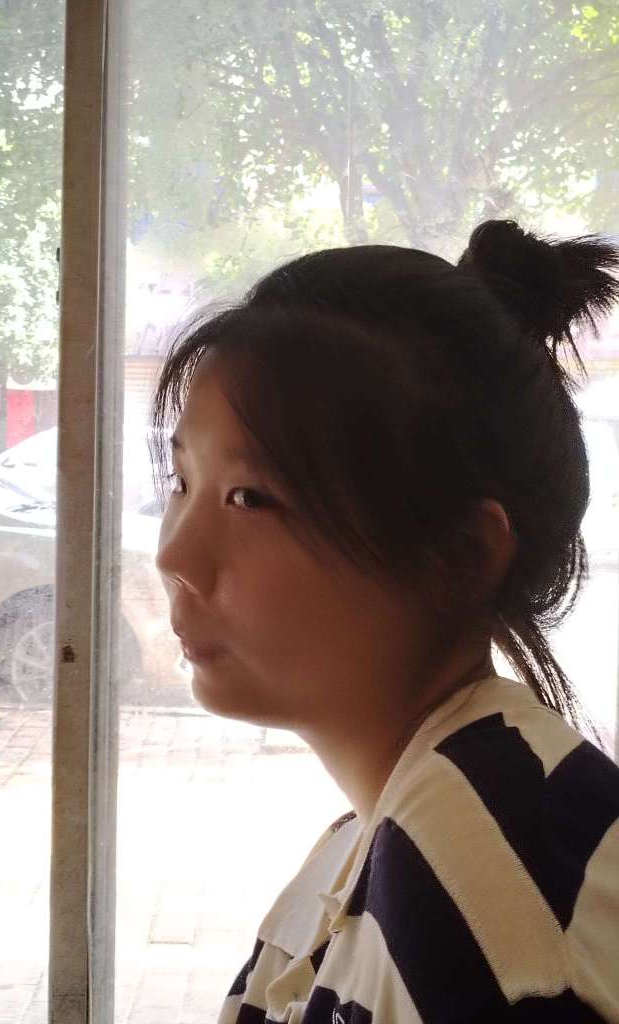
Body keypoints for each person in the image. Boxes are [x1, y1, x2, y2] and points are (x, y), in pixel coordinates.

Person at [151, 219, 619, 1023]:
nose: (175, 556)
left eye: (250, 498)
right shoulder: (403, 822)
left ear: (461, 556)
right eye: (181, 482)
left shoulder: (475, 879)